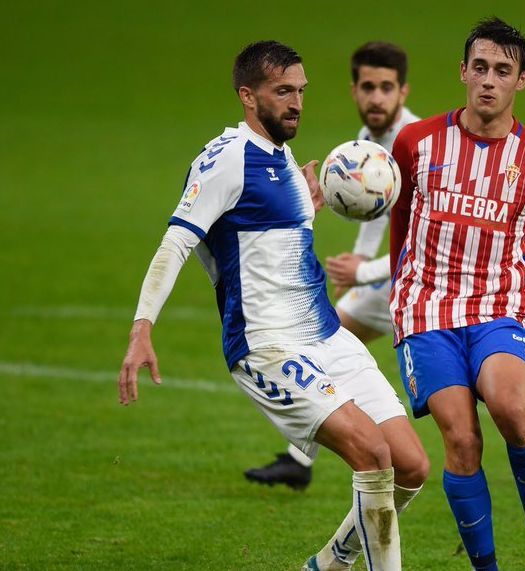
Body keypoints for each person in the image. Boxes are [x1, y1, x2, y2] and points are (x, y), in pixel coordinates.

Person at [245, 42, 525, 494]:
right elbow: (382, 223)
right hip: (407, 281)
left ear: (403, 91)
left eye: (385, 88)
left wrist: (363, 274)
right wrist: (363, 268)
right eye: (366, 88)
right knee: (335, 338)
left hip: (442, 282)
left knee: (499, 387)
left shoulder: (425, 141)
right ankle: (301, 456)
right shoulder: (368, 139)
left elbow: (424, 237)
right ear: (354, 90)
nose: (375, 98)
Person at [116, 40, 428, 571]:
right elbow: (177, 241)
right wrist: (141, 328)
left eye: (301, 92)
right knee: (372, 457)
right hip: (268, 347)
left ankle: (328, 563)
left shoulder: (282, 158)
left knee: (411, 466)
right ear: (247, 96)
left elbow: (270, 243)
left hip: (327, 338)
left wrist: (306, 205)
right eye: (283, 92)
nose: (296, 103)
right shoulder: (225, 159)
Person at [388, 18, 525, 570]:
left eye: (503, 70)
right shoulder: (415, 144)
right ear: (462, 72)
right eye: (480, 68)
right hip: (426, 312)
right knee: (462, 442)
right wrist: (404, 289)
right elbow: (400, 219)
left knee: (511, 407)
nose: (488, 81)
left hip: (499, 309)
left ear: (522, 80)